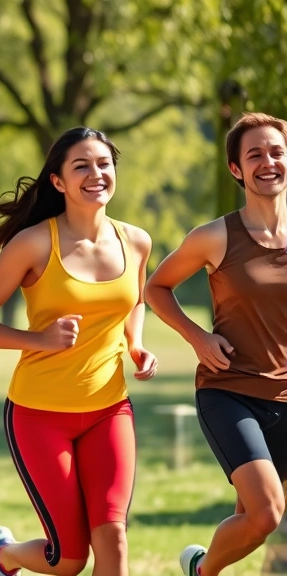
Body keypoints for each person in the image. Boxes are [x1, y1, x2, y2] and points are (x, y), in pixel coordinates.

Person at [0, 127, 156, 576]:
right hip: (38, 413)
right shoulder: (32, 244)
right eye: (81, 166)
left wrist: (136, 344)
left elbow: (136, 300)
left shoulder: (137, 242)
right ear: (58, 182)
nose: (96, 173)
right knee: (68, 558)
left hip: (109, 408)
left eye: (104, 164)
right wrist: (39, 340)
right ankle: (2, 556)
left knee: (115, 539)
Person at [144, 112, 287, 576]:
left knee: (252, 517)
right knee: (266, 513)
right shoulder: (215, 236)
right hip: (230, 392)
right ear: (236, 169)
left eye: (277, 152)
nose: (268, 162)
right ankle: (203, 572)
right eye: (255, 155)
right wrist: (197, 337)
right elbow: (156, 288)